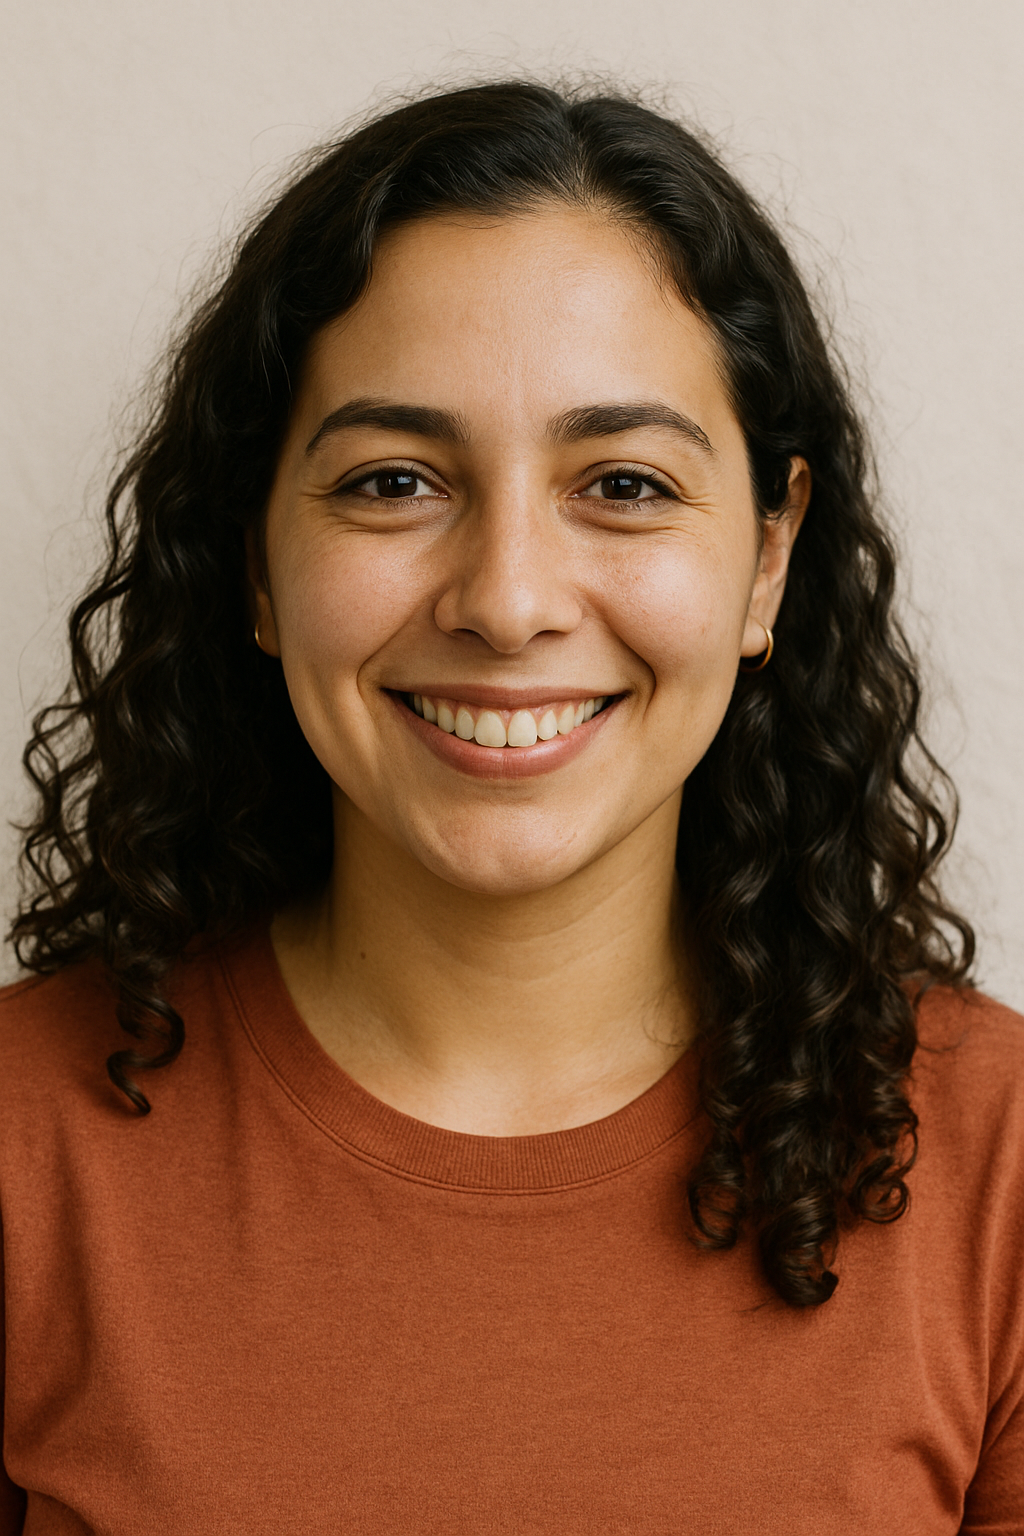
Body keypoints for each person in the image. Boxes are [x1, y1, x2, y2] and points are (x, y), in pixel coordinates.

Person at [1, 79, 1021, 1534]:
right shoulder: (20, 1147)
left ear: (767, 561)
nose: (508, 602)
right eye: (396, 479)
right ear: (253, 566)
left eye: (621, 482)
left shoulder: (1002, 1169)